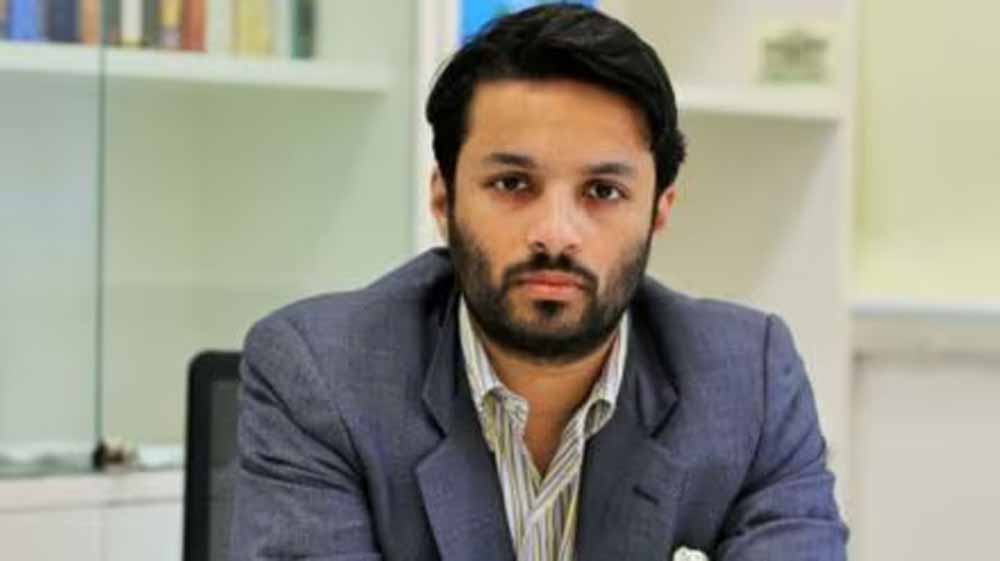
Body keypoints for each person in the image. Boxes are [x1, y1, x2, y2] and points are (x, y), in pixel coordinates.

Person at [228, 5, 848, 561]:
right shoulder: (323, 376)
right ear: (443, 198)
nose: (555, 234)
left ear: (659, 210)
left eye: (602, 191)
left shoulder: (749, 384)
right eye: (512, 184)